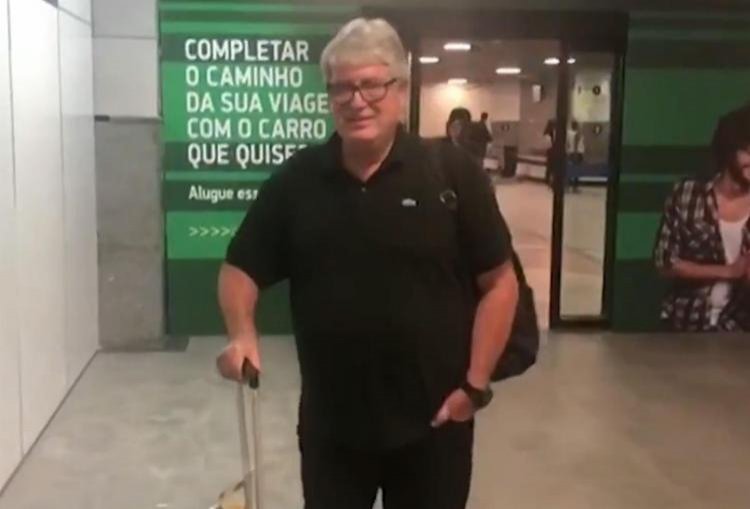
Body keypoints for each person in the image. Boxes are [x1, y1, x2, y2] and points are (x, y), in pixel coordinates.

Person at [216, 17, 519, 509]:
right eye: (341, 87)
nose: (356, 100)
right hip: (332, 431)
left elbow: (500, 283)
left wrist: (475, 386)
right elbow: (240, 269)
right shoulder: (297, 182)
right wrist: (241, 333)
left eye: (372, 84)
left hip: (436, 425)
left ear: (400, 89)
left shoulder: (450, 175)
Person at [654, 103, 750, 332]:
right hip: (687, 323)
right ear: (729, 151)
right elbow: (664, 262)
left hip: (741, 329)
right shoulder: (687, 194)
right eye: (748, 151)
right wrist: (729, 271)